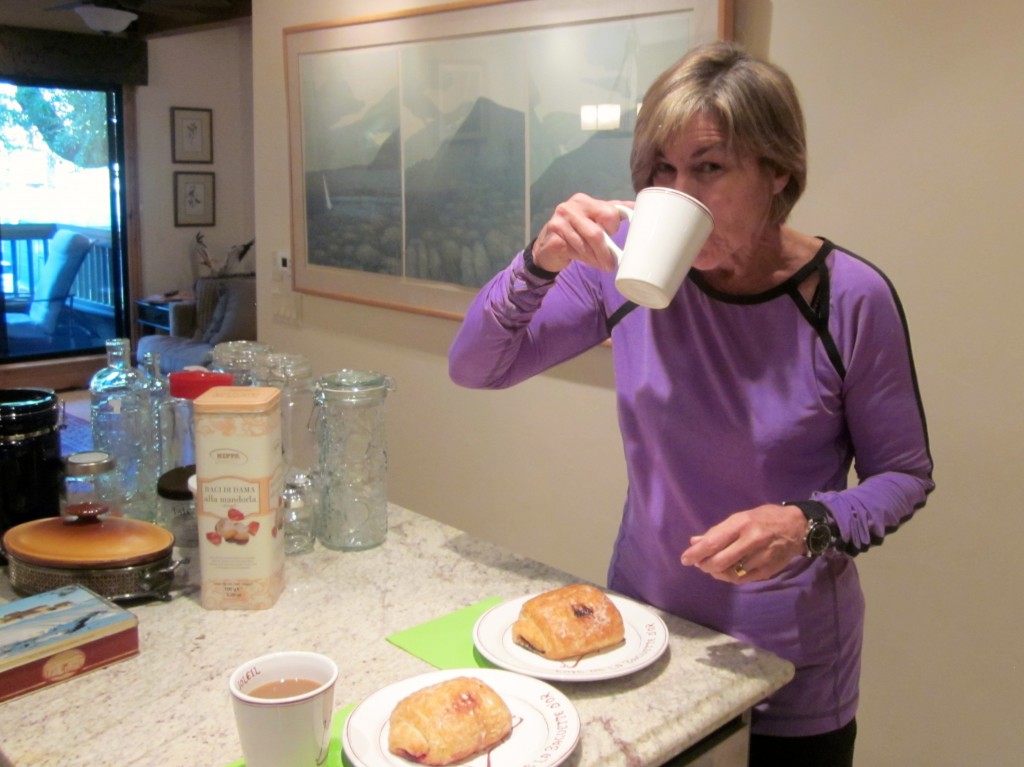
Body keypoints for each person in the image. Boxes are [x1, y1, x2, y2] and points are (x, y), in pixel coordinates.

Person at [448, 41, 934, 766]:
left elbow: (905, 474)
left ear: (778, 171)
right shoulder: (622, 268)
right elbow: (476, 366)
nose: (679, 191)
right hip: (638, 636)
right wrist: (537, 262)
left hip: (788, 665)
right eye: (661, 171)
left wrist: (807, 522)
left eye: (708, 167)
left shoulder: (848, 298)